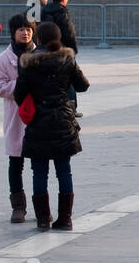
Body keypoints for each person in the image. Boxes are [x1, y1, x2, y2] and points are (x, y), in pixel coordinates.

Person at [14, 21, 90, 230]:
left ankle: (42, 219)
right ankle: (65, 219)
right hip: (63, 121)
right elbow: (83, 85)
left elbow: (19, 95)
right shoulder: (67, 59)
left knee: (39, 173)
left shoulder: (28, 63)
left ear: (38, 38)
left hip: (38, 123)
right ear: (58, 38)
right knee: (64, 171)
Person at [0, 15, 36, 223]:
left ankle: (41, 206)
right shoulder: (3, 59)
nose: (25, 32)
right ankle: (18, 207)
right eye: (20, 29)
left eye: (28, 29)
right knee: (15, 162)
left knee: (40, 164)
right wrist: (21, 84)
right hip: (16, 116)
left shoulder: (40, 55)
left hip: (39, 116)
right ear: (13, 32)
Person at [43, 0, 81, 115]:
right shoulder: (61, 12)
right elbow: (69, 33)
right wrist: (73, 49)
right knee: (68, 77)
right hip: (63, 50)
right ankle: (71, 107)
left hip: (48, 49)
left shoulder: (45, 11)